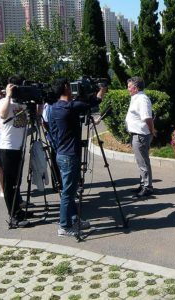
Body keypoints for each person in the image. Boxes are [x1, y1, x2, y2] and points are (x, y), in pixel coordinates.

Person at [49, 78, 106, 237]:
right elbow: (95, 101)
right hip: (69, 156)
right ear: (66, 88)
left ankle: (74, 219)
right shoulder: (70, 107)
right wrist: (101, 89)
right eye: (70, 86)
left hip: (61, 153)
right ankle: (64, 226)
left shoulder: (55, 108)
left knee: (71, 191)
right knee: (68, 193)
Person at [0, 75, 30, 228]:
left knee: (17, 182)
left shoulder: (23, 104)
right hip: (8, 148)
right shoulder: (3, 102)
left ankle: (18, 210)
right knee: (10, 184)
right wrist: (9, 96)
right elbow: (3, 115)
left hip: (19, 147)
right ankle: (13, 217)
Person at [125, 76, 155, 199]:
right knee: (140, 161)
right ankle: (143, 184)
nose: (128, 89)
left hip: (141, 135)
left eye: (129, 87)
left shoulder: (142, 99)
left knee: (143, 162)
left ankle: (147, 187)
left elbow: (147, 117)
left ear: (136, 88)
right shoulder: (136, 98)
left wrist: (152, 131)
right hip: (137, 134)